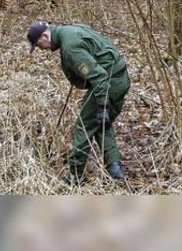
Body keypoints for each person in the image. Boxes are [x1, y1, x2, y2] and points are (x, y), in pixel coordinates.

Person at [27, 21, 130, 184]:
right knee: (101, 123)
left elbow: (100, 77)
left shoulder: (70, 46)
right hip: (120, 79)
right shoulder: (71, 30)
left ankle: (76, 175)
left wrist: (103, 106)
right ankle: (115, 169)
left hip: (108, 83)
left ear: (45, 36)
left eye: (39, 45)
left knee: (83, 125)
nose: (42, 49)